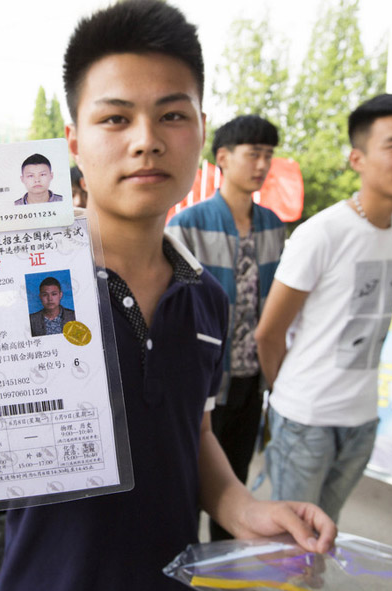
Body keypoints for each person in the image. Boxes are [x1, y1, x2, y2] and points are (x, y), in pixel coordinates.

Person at [0, 2, 336, 591]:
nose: (146, 141)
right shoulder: (1, 292)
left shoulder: (206, 297)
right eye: (115, 119)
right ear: (73, 140)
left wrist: (241, 507)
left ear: (202, 130)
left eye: (172, 115)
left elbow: (195, 430)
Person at [254, 94, 392, 522]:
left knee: (323, 540)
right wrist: (291, 398)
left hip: (362, 421)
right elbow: (268, 333)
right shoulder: (323, 233)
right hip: (306, 421)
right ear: (358, 158)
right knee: (292, 549)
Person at [166, 114, 285, 540]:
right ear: (223, 158)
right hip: (203, 387)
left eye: (268, 155)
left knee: (235, 484)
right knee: (191, 483)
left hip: (252, 381)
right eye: (253, 153)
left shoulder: (273, 226)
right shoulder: (188, 225)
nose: (262, 164)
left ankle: (227, 579)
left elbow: (274, 307)